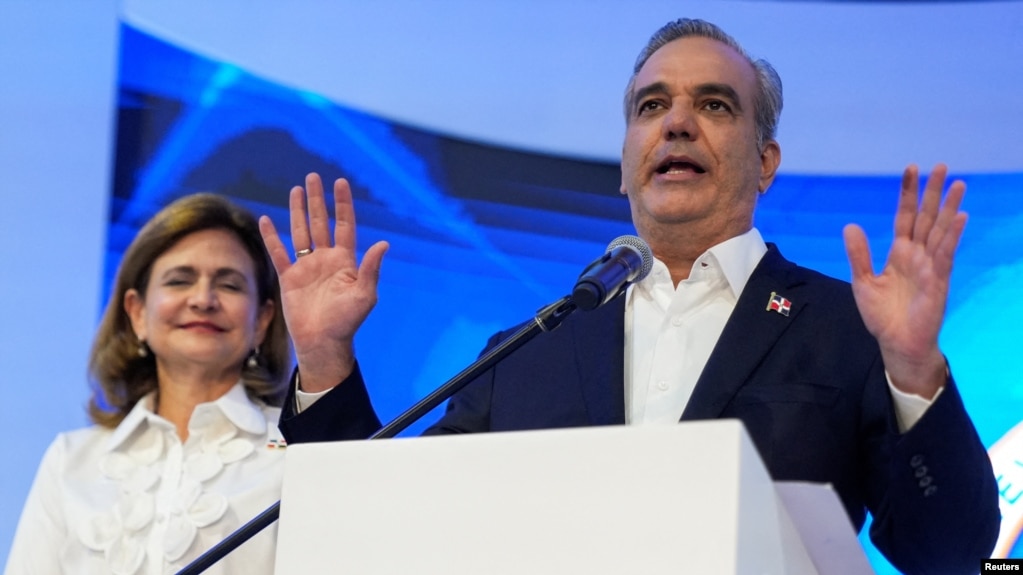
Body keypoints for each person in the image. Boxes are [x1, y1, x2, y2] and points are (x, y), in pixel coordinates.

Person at [258, 18, 1000, 573]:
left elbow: (952, 550)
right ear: (625, 165)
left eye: (713, 105)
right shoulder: (527, 351)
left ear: (765, 161)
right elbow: (384, 531)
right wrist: (323, 358)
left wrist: (911, 368)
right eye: (650, 106)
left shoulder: (844, 329)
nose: (675, 121)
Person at [5, 194, 292, 575]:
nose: (203, 299)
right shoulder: (71, 460)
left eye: (230, 285)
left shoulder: (295, 450)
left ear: (262, 319)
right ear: (137, 313)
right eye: (180, 280)